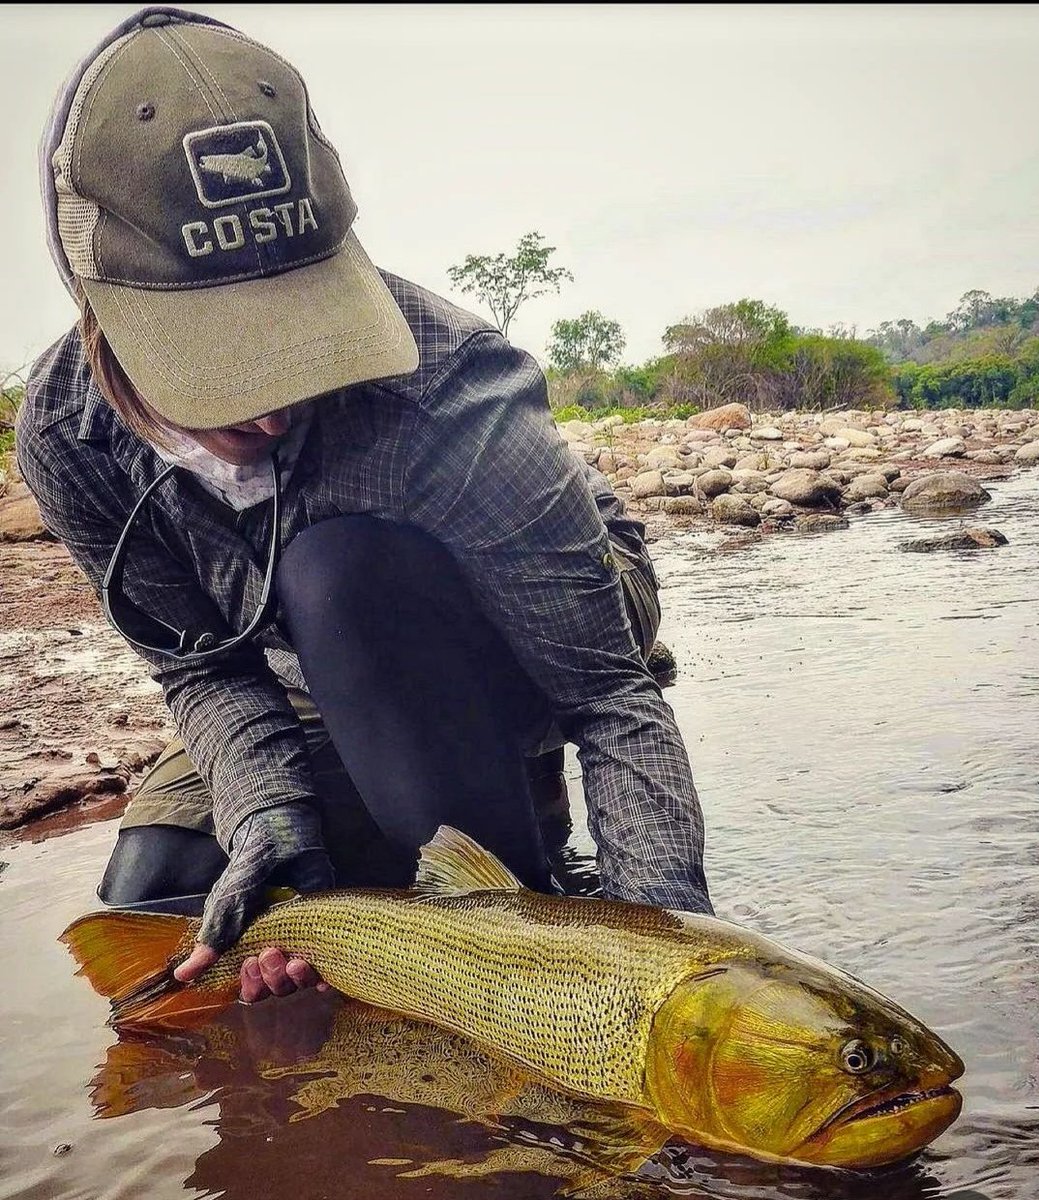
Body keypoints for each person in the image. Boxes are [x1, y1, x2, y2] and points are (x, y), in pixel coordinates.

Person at [19, 6, 712, 1003]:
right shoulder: (64, 436)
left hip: (538, 623)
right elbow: (203, 669)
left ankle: (512, 877)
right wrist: (271, 820)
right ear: (98, 297)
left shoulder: (452, 385)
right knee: (161, 921)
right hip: (305, 671)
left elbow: (608, 697)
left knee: (338, 572)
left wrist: (665, 971)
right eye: (217, 354)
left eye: (296, 333)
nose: (272, 401)